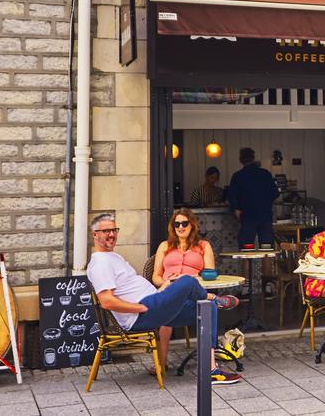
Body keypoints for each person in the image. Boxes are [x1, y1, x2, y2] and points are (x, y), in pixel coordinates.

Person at [86, 213, 241, 385]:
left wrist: (163, 288)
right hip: (141, 313)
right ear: (95, 234)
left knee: (207, 309)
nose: (112, 234)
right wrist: (139, 308)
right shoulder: (100, 264)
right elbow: (107, 301)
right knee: (187, 281)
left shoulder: (113, 256)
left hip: (154, 302)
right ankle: (216, 299)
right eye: (106, 231)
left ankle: (210, 370)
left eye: (114, 230)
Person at [151, 208, 215, 370]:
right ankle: (161, 363)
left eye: (184, 223)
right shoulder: (165, 246)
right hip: (170, 293)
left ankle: (211, 365)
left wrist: (191, 280)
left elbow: (210, 274)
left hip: (192, 293)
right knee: (168, 310)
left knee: (210, 308)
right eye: (176, 224)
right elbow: (155, 277)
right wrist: (166, 282)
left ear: (192, 225)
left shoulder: (203, 246)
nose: (180, 227)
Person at [228, 147, 280, 247]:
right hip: (265, 216)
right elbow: (275, 194)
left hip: (247, 217)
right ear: (253, 158)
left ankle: (247, 263)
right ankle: (266, 263)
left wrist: (236, 209)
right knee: (267, 251)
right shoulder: (265, 174)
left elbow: (232, 197)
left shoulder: (238, 176)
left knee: (246, 251)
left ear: (240, 160)